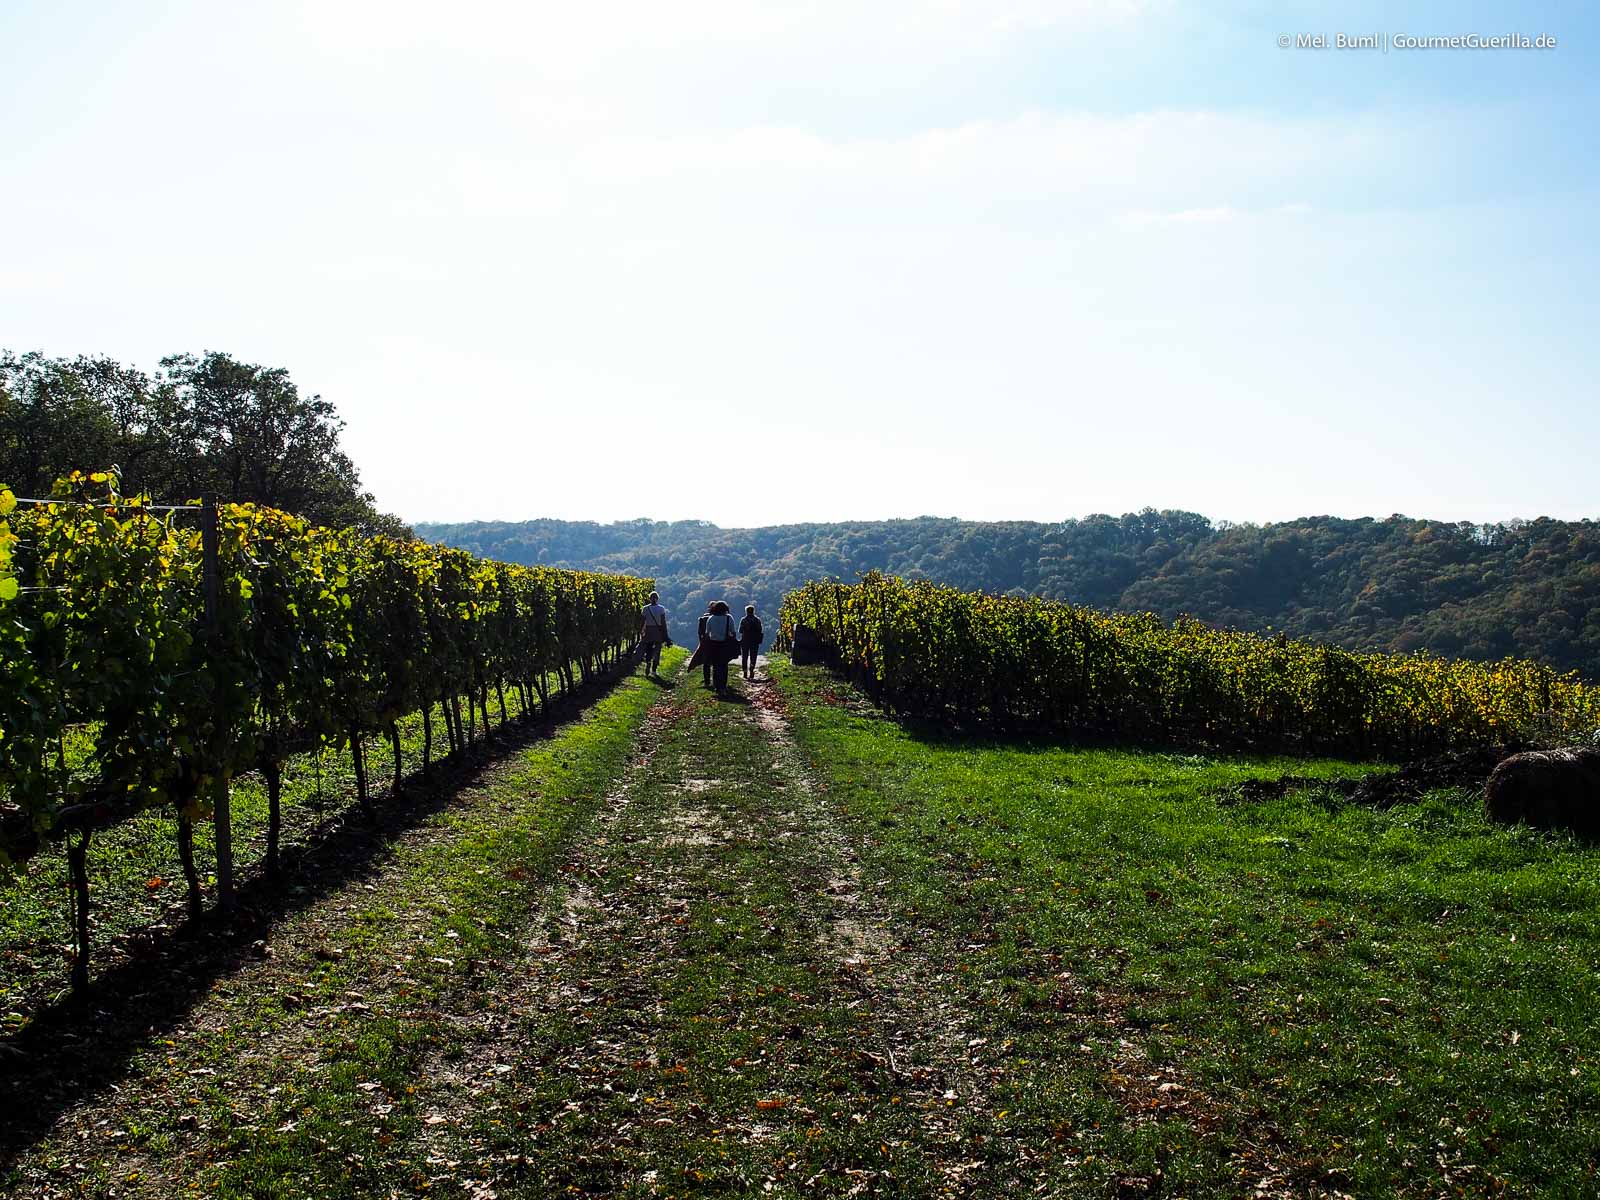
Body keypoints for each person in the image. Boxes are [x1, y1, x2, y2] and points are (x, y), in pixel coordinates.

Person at [700, 600, 739, 694]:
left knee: (716, 666)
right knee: (724, 666)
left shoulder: (711, 619)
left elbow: (707, 633)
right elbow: (733, 632)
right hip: (724, 644)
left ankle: (717, 685)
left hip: (713, 644)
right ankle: (723, 686)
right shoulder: (729, 618)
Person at [638, 591, 670, 676]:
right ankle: (654, 670)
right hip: (658, 631)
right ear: (657, 599)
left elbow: (642, 621)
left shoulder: (645, 608)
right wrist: (665, 634)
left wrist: (641, 631)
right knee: (657, 650)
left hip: (649, 630)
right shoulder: (661, 608)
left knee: (649, 647)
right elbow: (663, 622)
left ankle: (648, 661)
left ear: (649, 598)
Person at [739, 604, 763, 679]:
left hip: (745, 640)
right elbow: (760, 630)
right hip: (754, 641)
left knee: (744, 656)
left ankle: (745, 671)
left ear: (746, 611)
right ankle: (752, 669)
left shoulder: (743, 620)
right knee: (753, 656)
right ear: (753, 611)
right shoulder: (757, 620)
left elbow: (740, 630)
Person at [697, 604, 713, 687]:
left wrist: (701, 642)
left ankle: (707, 681)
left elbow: (700, 633)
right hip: (715, 642)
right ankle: (716, 681)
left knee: (706, 663)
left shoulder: (703, 619)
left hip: (705, 642)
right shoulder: (719, 618)